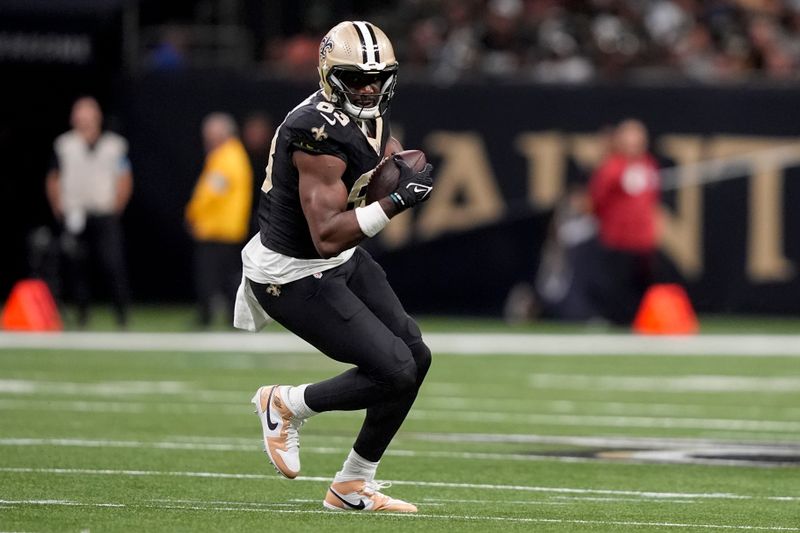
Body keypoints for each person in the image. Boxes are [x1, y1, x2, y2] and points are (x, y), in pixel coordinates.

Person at [233, 21, 434, 513]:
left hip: (338, 260)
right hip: (292, 273)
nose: (367, 88)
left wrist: (391, 174)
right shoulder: (314, 132)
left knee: (416, 357)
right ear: (328, 74)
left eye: (376, 78)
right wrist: (396, 201)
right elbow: (323, 236)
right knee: (393, 369)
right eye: (355, 78)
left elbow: (369, 175)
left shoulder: (368, 119)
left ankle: (352, 485)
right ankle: (285, 404)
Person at [46, 96, 133, 328]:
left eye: (88, 114)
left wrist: (118, 205)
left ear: (97, 117)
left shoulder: (115, 145)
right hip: (75, 213)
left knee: (112, 264)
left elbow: (124, 177)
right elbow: (54, 178)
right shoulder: (64, 145)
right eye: (79, 114)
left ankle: (122, 315)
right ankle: (82, 315)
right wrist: (59, 207)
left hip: (104, 213)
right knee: (77, 266)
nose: (83, 120)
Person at [588, 118, 661, 325]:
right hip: (618, 238)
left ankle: (639, 321)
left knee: (642, 285)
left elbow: (651, 200)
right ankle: (615, 321)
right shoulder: (612, 167)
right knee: (617, 285)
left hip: (643, 239)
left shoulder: (649, 165)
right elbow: (597, 200)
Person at [185, 113, 253, 328]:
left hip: (218, 228)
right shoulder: (234, 155)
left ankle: (207, 316)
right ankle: (233, 319)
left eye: (210, 134)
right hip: (227, 227)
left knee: (211, 277)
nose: (207, 139)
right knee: (228, 278)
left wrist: (192, 214)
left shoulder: (226, 157)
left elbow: (210, 193)